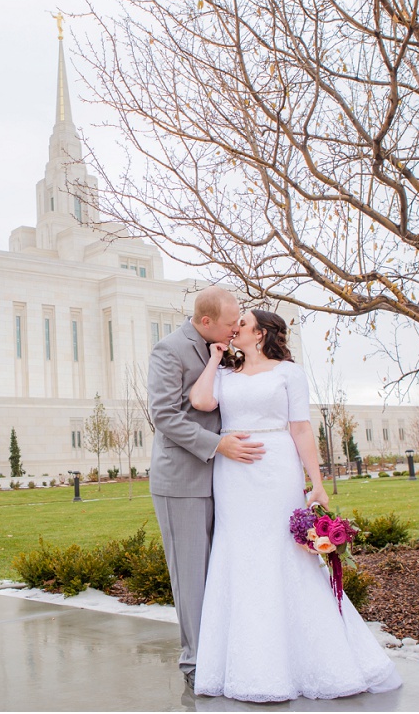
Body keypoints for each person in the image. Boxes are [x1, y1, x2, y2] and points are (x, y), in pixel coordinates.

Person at [188, 309, 401, 701]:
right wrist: (216, 356)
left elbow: (301, 428)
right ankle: (245, 664)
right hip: (233, 473)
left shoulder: (289, 373)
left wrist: (316, 483)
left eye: (244, 323)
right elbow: (200, 402)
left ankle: (312, 659)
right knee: (239, 553)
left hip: (277, 469)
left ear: (263, 333)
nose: (235, 327)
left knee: (283, 554)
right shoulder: (222, 373)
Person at [147, 286, 266, 689]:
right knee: (192, 576)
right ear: (205, 322)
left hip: (223, 481)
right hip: (181, 483)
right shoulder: (169, 351)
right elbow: (164, 415)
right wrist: (217, 445)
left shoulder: (222, 347)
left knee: (219, 574)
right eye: (232, 323)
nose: (236, 330)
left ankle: (219, 651)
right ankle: (195, 663)